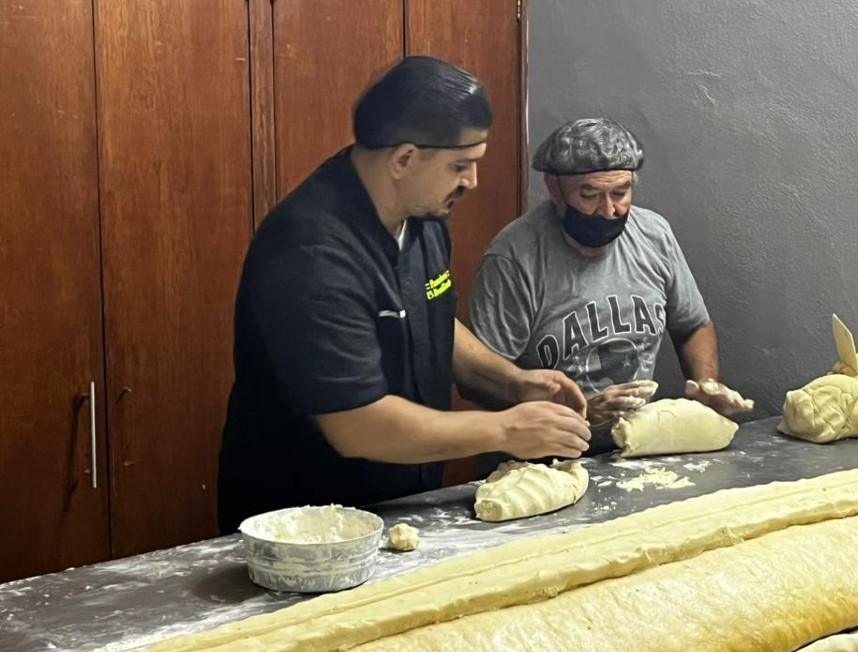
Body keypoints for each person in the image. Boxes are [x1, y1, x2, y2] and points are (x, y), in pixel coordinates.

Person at [217, 57, 590, 534]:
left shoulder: (422, 214)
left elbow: (430, 315)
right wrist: (506, 429)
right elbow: (357, 425)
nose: (471, 182)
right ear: (404, 159)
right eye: (460, 165)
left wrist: (511, 383)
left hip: (399, 503)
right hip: (304, 523)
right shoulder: (311, 253)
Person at [468, 118, 752, 442]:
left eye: (620, 193)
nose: (608, 211)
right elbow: (480, 381)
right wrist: (579, 412)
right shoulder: (514, 258)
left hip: (634, 447)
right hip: (544, 454)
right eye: (589, 194)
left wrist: (705, 385)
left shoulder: (654, 236)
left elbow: (693, 326)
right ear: (554, 188)